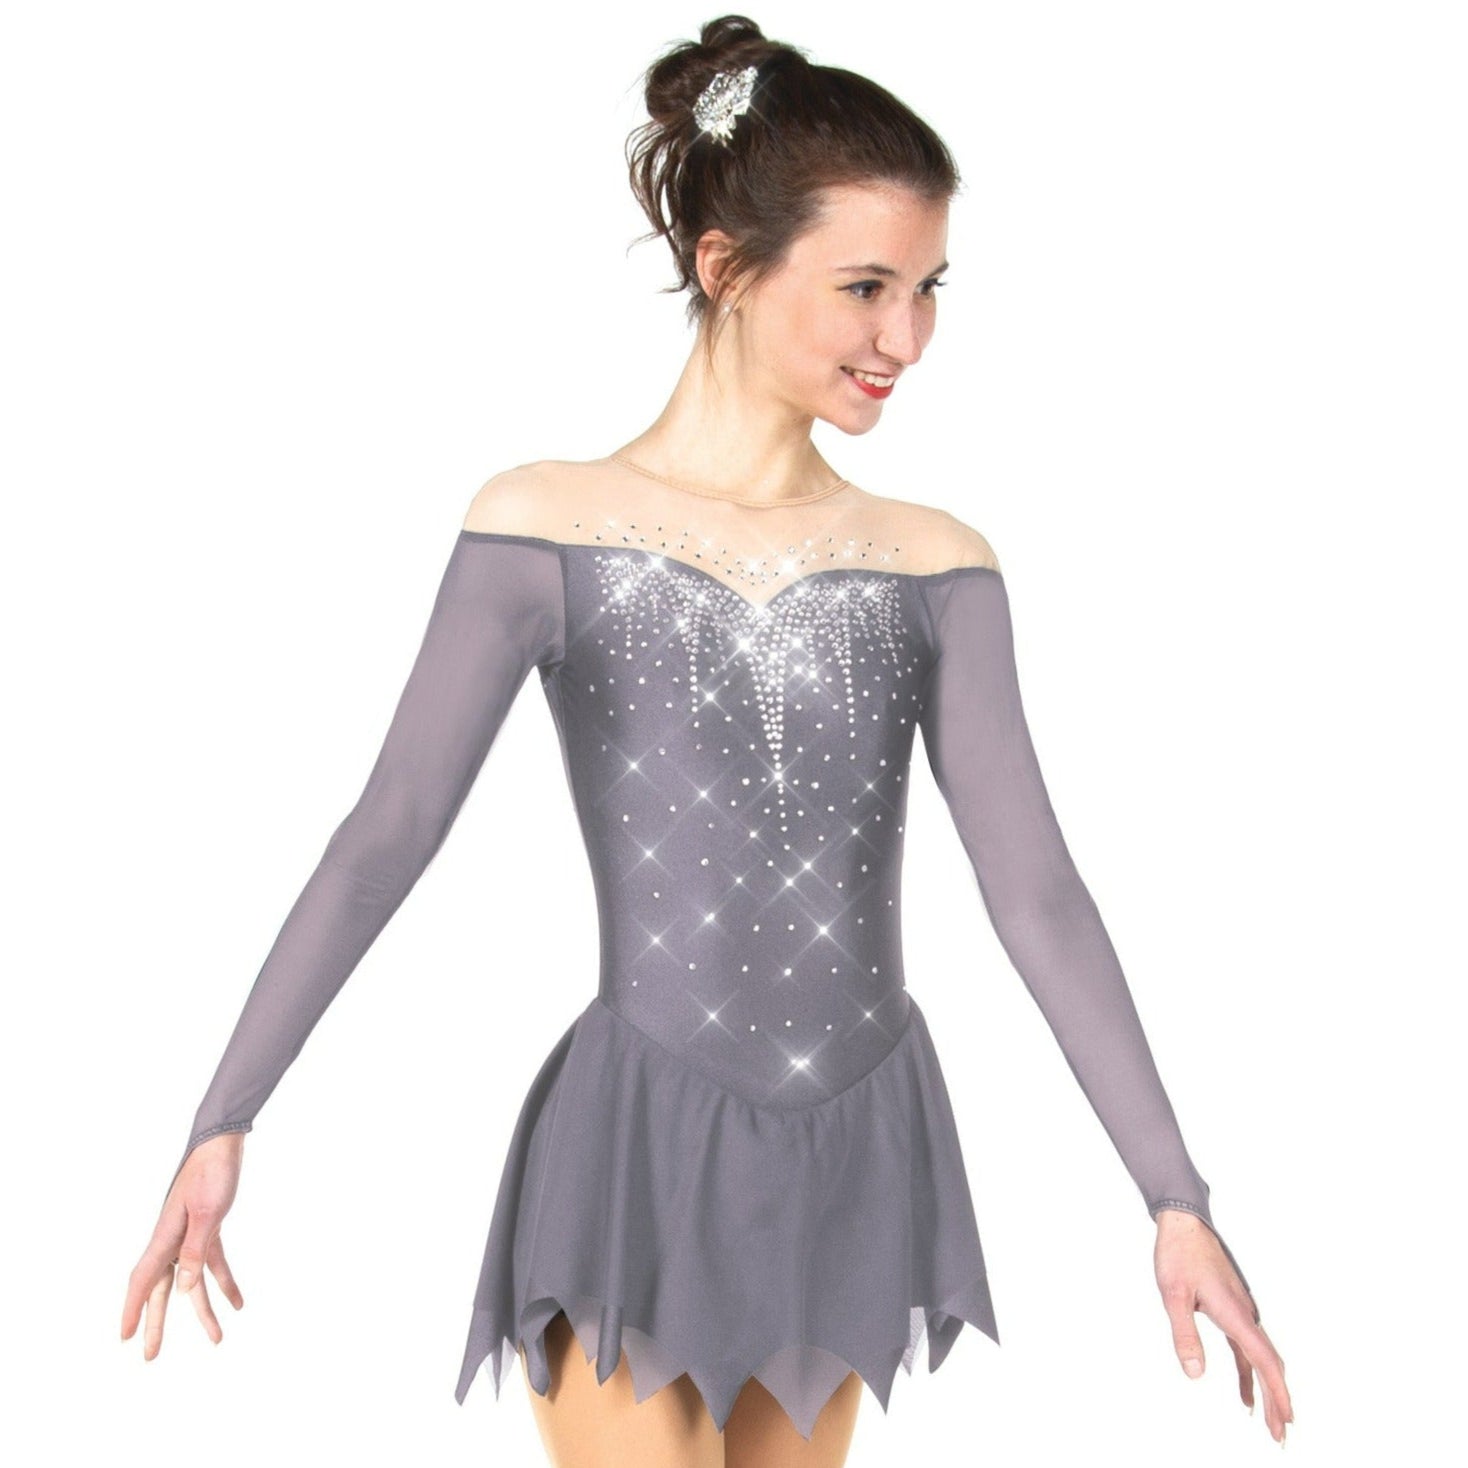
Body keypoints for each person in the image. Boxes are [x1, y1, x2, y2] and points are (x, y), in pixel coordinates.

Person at [121, 14, 1293, 1466]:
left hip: (854, 1144)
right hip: (640, 1143)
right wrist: (224, 1116)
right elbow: (389, 833)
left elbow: (1037, 890)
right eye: (865, 287)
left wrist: (1174, 1199)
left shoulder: (936, 562)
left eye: (928, 289)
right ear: (726, 265)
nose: (906, 338)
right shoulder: (546, 524)